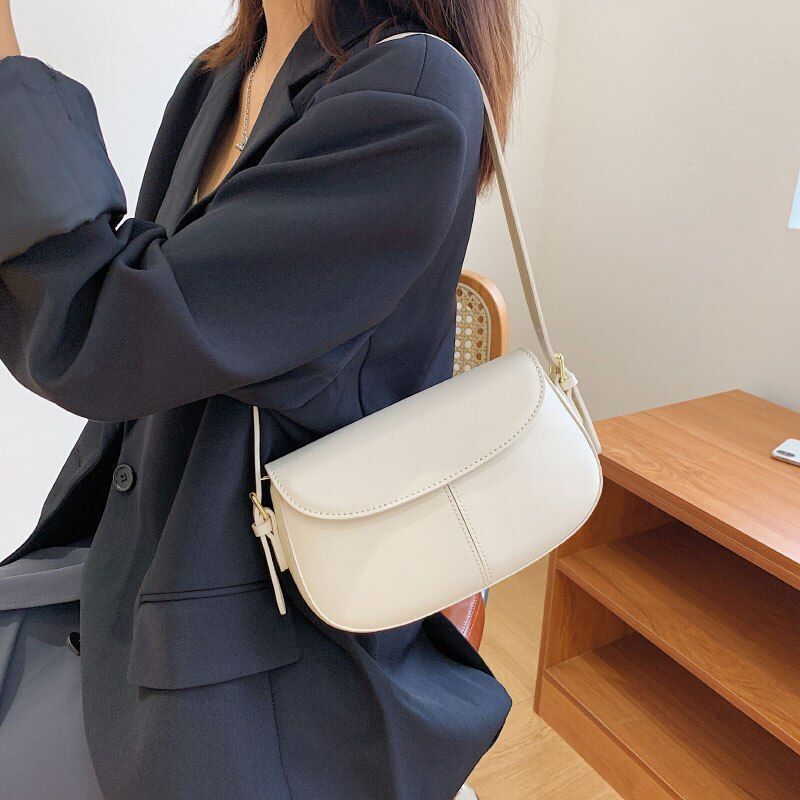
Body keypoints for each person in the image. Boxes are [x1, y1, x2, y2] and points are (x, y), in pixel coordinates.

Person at [0, 0, 518, 797]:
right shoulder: (221, 76)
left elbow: (107, 330)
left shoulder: (413, 93)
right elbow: (150, 333)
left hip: (266, 655)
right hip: (131, 560)